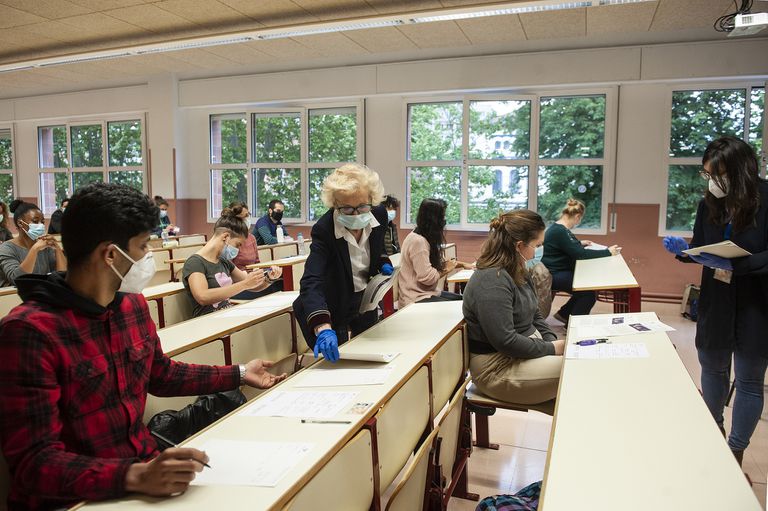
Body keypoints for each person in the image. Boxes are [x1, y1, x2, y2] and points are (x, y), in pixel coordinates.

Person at [0, 183, 287, 511]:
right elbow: (34, 465)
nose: (147, 258)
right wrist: (134, 476)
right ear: (110, 255)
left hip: (137, 476)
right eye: (141, 247)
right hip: (74, 499)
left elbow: (161, 374)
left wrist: (238, 373)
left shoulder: (130, 308)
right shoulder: (30, 332)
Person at [662, 136, 768, 467]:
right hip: (717, 298)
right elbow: (704, 247)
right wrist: (685, 252)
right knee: (712, 366)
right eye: (707, 175)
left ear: (740, 170)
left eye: (718, 174)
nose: (713, 182)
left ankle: (735, 450)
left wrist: (740, 264)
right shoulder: (708, 204)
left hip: (757, 301)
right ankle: (714, 433)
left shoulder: (767, 198)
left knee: (750, 378)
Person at [462, 209, 565, 413]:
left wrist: (551, 341)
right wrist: (552, 349)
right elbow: (505, 341)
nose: (536, 252)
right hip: (496, 368)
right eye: (536, 245)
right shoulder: (493, 280)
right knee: (577, 370)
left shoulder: (517, 269)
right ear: (519, 246)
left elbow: (535, 314)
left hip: (519, 356)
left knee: (574, 388)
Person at [293, 163, 393, 363]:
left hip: (364, 299)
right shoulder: (324, 229)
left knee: (370, 356)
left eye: (362, 206)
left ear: (371, 200)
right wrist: (322, 326)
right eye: (347, 208)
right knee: (338, 362)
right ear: (335, 204)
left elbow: (375, 246)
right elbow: (311, 281)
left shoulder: (379, 215)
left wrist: (382, 260)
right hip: (334, 301)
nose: (356, 214)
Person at [182, 210, 281, 317]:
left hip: (226, 315)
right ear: (225, 237)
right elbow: (203, 297)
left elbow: (251, 285)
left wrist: (268, 279)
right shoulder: (195, 263)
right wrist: (244, 284)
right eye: (238, 245)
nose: (238, 249)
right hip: (207, 321)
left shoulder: (223, 261)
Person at [541, 198, 621, 325]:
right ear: (577, 216)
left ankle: (564, 314)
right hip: (554, 274)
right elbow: (580, 255)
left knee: (585, 287)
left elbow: (568, 246)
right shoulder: (561, 231)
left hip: (556, 270)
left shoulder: (558, 228)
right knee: (588, 293)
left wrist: (579, 243)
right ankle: (573, 327)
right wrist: (608, 252)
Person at [397, 198, 472, 307]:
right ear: (434, 220)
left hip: (427, 293)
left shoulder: (425, 237)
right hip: (415, 299)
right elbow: (427, 278)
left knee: (466, 301)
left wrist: (463, 264)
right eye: (442, 217)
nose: (444, 220)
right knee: (465, 306)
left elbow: (440, 264)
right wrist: (447, 268)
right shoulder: (418, 242)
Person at [0, 200, 67, 287]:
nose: (41, 225)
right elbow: (17, 279)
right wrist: (35, 249)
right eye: (35, 221)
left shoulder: (46, 247)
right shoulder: (7, 248)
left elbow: (62, 276)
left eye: (42, 222)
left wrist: (57, 248)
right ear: (20, 223)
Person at [225, 201, 283, 300]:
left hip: (253, 280)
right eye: (245, 216)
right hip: (238, 285)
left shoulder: (251, 238)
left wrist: (265, 273)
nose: (247, 219)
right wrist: (255, 278)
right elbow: (229, 273)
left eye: (248, 215)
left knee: (280, 283)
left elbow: (257, 263)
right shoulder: (229, 240)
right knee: (273, 290)